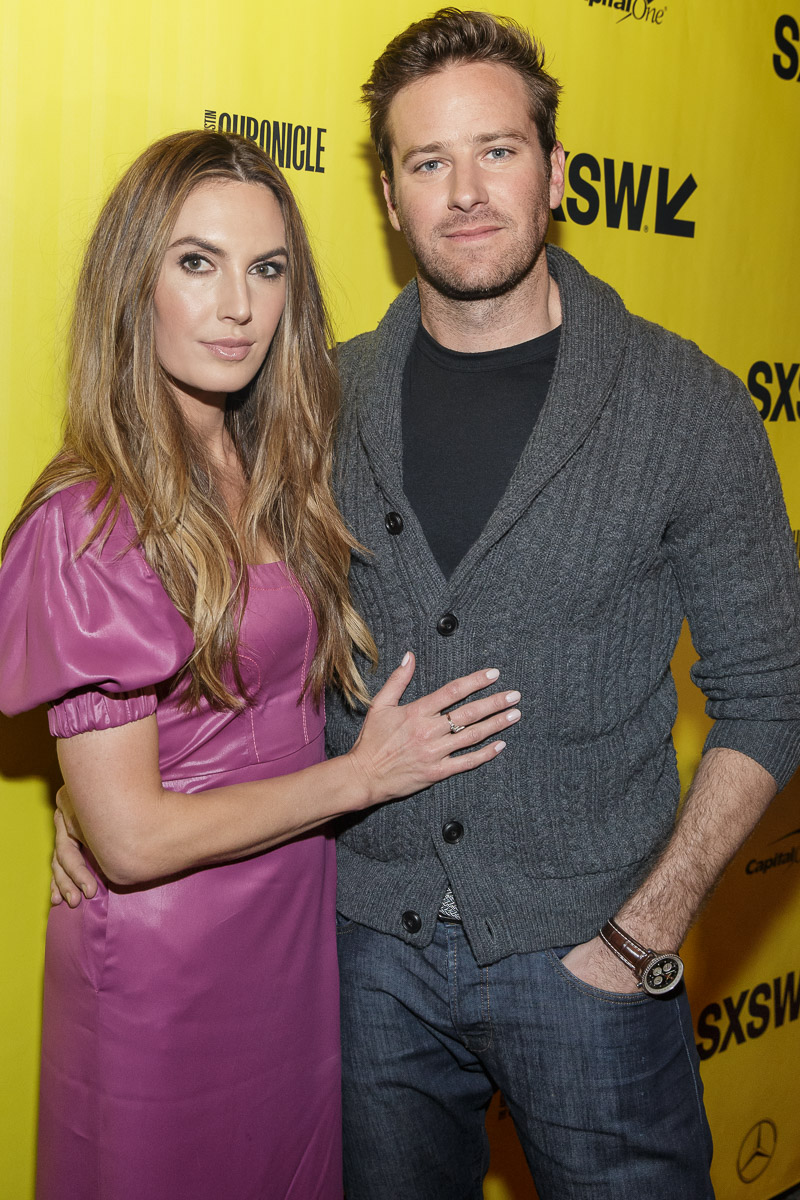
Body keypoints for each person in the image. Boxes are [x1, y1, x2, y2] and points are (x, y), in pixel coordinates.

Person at [320, 9, 800, 1199]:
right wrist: (117, 799)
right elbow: (229, 629)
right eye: (428, 161)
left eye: (497, 150)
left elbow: (771, 691)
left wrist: (644, 928)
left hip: (590, 965)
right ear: (389, 197)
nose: (466, 191)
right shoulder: (321, 399)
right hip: (365, 954)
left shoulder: (683, 404)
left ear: (557, 173)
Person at [0, 129, 520, 1200]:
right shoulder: (86, 514)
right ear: (132, 281)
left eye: (266, 268)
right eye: (197, 262)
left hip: (291, 932)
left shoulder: (276, 456)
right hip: (165, 967)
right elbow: (134, 838)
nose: (238, 305)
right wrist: (362, 778)